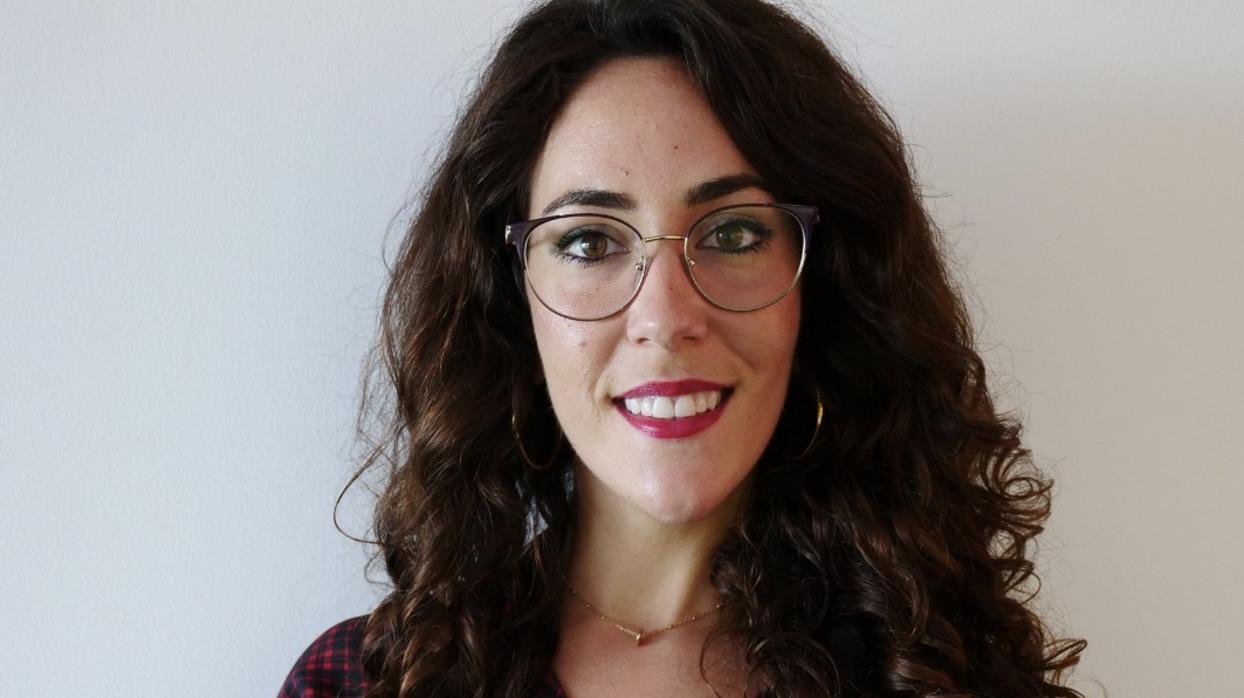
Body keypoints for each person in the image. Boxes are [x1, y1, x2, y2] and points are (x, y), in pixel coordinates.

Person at [280, 0, 1087, 696]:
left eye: (732, 233)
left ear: (821, 289)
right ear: (510, 299)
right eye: (590, 241)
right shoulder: (363, 681)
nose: (665, 317)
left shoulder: (948, 676)